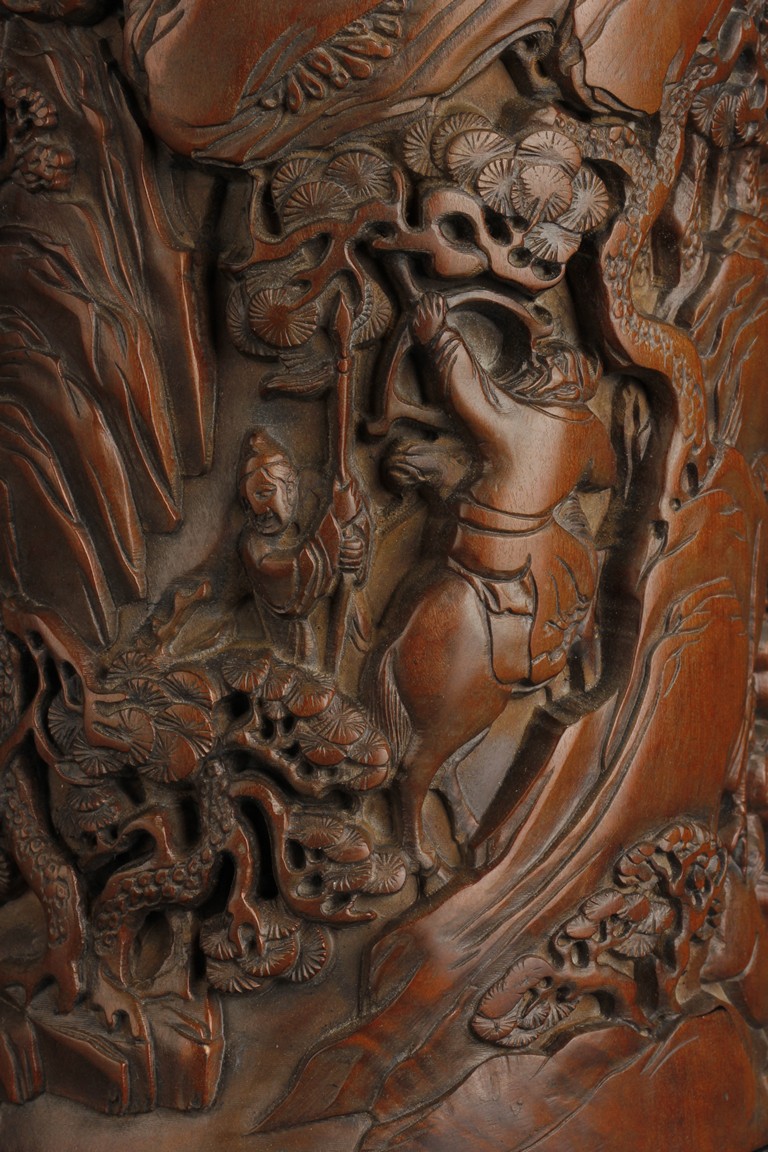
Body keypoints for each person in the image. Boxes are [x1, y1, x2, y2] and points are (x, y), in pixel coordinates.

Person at [379, 293, 617, 871]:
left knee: (575, 571)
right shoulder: (584, 428)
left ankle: (561, 661)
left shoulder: (520, 418)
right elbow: (604, 475)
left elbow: (470, 390)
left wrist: (440, 336)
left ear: (557, 380)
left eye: (546, 366)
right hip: (518, 545)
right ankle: (563, 657)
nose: (536, 369)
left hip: (488, 545)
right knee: (575, 575)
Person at [238, 430, 369, 667]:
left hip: (341, 637)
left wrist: (355, 544)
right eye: (247, 503)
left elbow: (357, 516)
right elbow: (292, 578)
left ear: (289, 487)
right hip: (289, 654)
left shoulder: (316, 499)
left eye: (264, 493)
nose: (258, 510)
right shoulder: (253, 546)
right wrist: (335, 524)